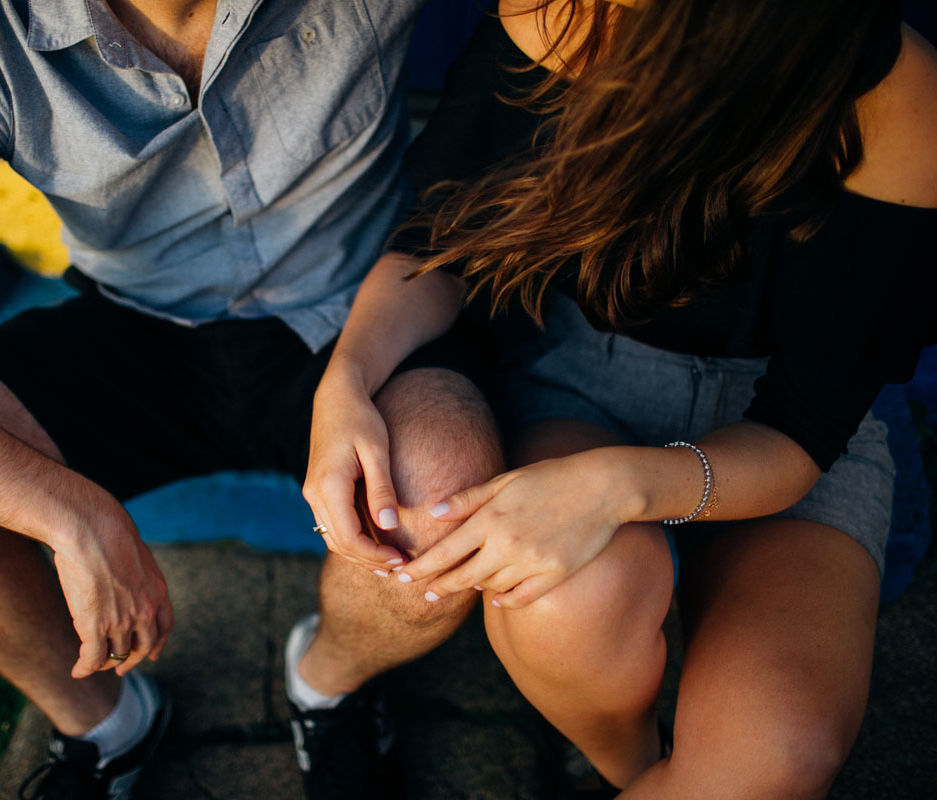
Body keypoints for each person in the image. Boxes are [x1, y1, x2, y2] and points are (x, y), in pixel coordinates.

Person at [0, 1, 502, 797]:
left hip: (355, 316)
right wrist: (69, 514)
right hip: (137, 322)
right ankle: (105, 723)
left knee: (440, 500)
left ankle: (329, 688)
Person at [300, 0, 937, 796]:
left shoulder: (896, 96)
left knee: (778, 755)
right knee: (566, 604)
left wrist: (614, 487)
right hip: (589, 378)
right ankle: (629, 764)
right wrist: (346, 381)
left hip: (785, 437)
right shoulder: (556, 15)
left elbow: (803, 429)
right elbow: (439, 245)